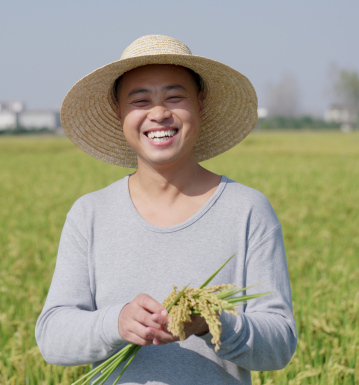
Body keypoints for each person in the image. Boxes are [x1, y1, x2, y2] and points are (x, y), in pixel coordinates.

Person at [35, 35, 297, 384]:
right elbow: (53, 337)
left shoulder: (247, 210)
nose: (158, 113)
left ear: (200, 104)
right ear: (119, 113)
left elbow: (279, 343)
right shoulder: (90, 215)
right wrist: (117, 322)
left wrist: (211, 322)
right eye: (140, 100)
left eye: (175, 97)